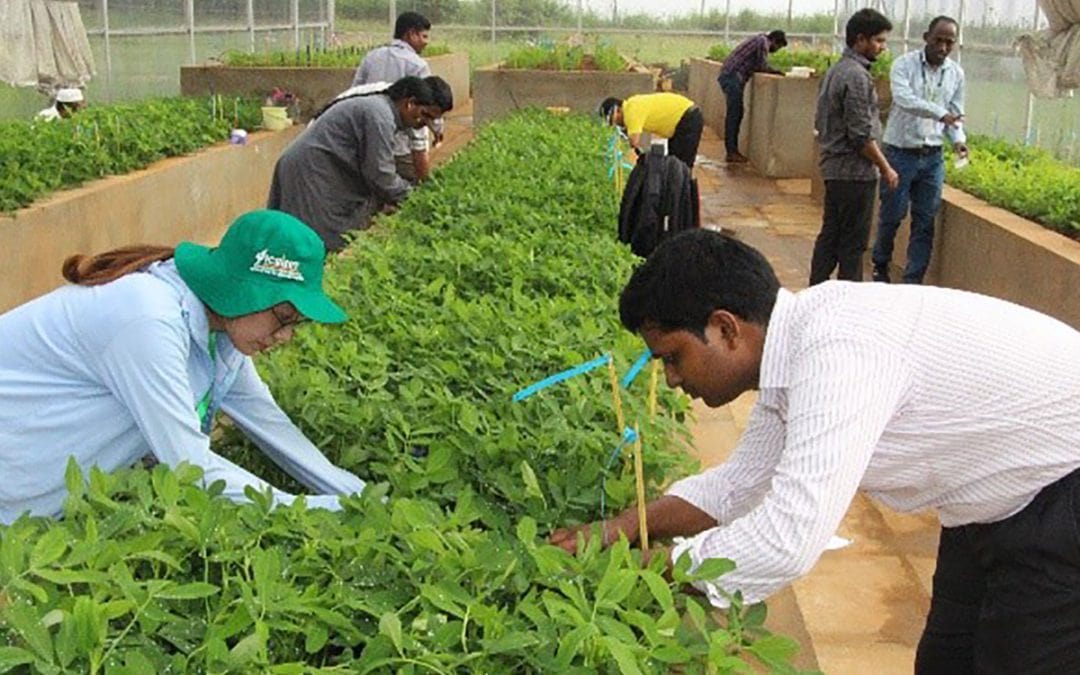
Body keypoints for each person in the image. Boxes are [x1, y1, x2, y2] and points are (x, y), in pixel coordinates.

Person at [550, 228, 1080, 674]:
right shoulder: (795, 344)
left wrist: (640, 569)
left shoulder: (838, 351)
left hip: (1062, 493)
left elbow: (789, 537)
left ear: (726, 328)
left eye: (673, 357)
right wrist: (617, 530)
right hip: (994, 500)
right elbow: (738, 484)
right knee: (947, 659)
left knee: (1016, 661)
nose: (669, 379)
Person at [0, 210, 369, 523]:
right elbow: (189, 467)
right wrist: (312, 512)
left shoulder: (221, 331)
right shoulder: (147, 318)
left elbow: (268, 421)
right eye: (283, 316)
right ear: (246, 291)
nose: (285, 335)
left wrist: (357, 497)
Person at [267, 75, 453, 252]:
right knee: (308, 240)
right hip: (310, 171)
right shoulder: (380, 116)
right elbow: (380, 175)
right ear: (410, 103)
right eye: (424, 115)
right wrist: (416, 198)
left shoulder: (386, 111)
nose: (424, 124)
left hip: (321, 169)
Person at [872, 16, 967, 284]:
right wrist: (942, 115)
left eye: (950, 42)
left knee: (925, 221)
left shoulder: (956, 73)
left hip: (932, 157)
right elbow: (905, 100)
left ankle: (913, 281)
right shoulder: (904, 65)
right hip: (900, 153)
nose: (944, 47)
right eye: (939, 40)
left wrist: (958, 139)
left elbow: (956, 113)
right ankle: (880, 265)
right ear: (926, 37)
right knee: (892, 214)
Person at [810, 8, 898, 285]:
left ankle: (816, 290)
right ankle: (849, 301)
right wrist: (886, 168)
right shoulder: (857, 76)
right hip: (854, 173)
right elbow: (860, 135)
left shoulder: (837, 70)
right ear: (860, 40)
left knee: (831, 235)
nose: (883, 47)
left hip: (835, 169)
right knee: (852, 245)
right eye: (879, 41)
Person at [352, 11, 441, 182]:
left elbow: (356, 93)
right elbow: (424, 109)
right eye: (424, 36)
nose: (426, 42)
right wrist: (436, 130)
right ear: (411, 34)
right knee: (409, 189)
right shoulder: (418, 65)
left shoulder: (371, 57)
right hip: (401, 146)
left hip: (368, 142)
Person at [716, 30, 787, 163]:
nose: (776, 51)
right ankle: (731, 151)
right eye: (778, 47)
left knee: (736, 112)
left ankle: (732, 150)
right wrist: (776, 72)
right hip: (733, 77)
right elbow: (761, 65)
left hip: (730, 76)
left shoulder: (758, 39)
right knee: (734, 114)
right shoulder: (763, 42)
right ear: (775, 41)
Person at [598, 93, 704, 169]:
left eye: (614, 121)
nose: (617, 125)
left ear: (618, 111)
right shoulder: (632, 104)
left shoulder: (631, 111)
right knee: (674, 164)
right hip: (682, 120)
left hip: (687, 118)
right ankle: (676, 196)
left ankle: (683, 197)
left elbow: (633, 142)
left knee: (681, 166)